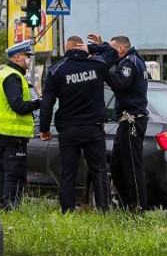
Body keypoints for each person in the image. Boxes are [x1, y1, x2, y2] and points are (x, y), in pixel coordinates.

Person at [38, 35, 118, 213]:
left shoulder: (55, 70)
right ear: (81, 47)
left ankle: (68, 211)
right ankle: (104, 210)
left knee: (68, 172)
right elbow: (113, 52)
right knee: (99, 171)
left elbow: (47, 103)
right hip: (93, 128)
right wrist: (95, 47)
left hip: (69, 130)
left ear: (67, 49)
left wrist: (44, 129)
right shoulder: (96, 64)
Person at [88, 34, 149, 212]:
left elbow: (120, 82)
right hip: (125, 119)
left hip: (132, 120)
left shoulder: (130, 62)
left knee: (131, 166)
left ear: (121, 49)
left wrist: (102, 68)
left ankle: (137, 208)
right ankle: (125, 205)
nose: (111, 54)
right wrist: (102, 46)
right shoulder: (129, 60)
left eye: (113, 50)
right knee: (116, 165)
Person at [0, 40, 42, 209]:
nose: (29, 60)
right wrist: (37, 102)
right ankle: (11, 208)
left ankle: (1, 206)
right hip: (13, 134)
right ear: (17, 57)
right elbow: (18, 106)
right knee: (15, 174)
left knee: (2, 173)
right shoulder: (13, 77)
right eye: (27, 56)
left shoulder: (0, 75)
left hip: (0, 132)